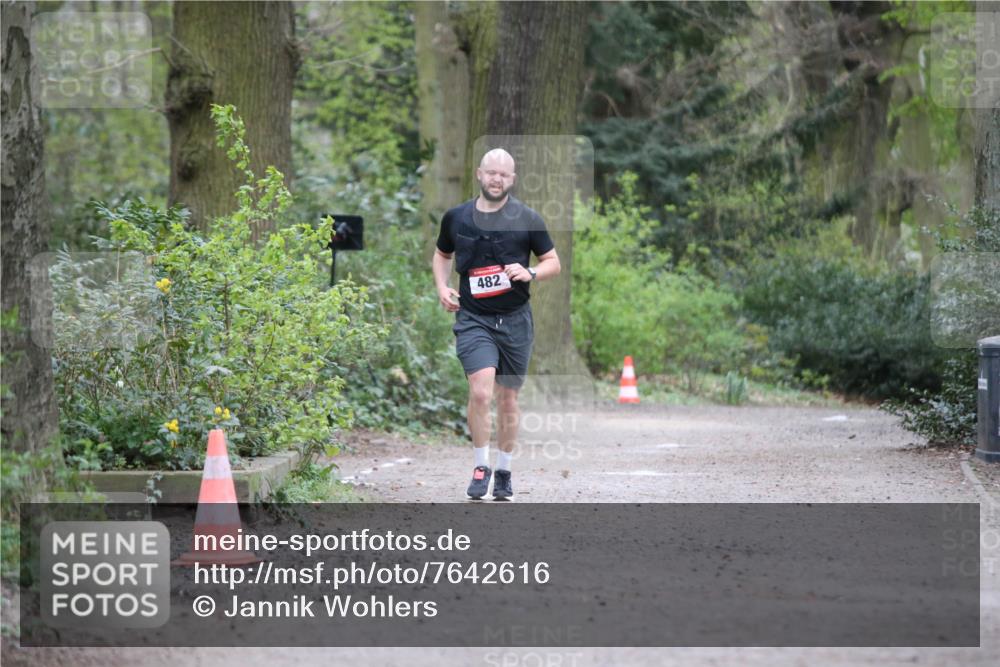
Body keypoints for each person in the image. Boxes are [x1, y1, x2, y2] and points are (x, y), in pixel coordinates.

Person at [431, 149, 561, 500]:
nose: (496, 179)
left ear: (513, 179)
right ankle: (480, 465)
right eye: (491, 172)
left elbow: (553, 262)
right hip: (474, 319)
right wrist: (442, 286)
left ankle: (503, 470)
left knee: (507, 398)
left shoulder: (527, 218)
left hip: (516, 320)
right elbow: (442, 255)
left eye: (503, 175)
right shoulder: (457, 217)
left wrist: (530, 271)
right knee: (481, 391)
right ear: (479, 174)